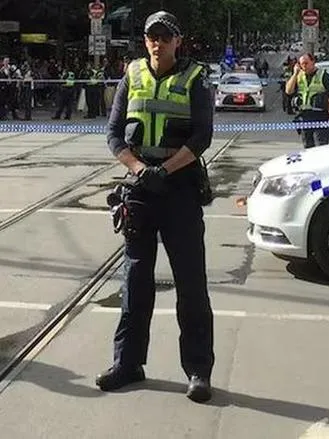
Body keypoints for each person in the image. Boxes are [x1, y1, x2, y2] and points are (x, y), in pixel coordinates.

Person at [97, 10, 215, 404]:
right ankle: (128, 364)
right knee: (134, 282)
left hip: (179, 189)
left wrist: (164, 169)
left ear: (177, 41)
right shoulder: (131, 74)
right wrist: (138, 168)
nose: (157, 42)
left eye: (165, 36)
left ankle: (198, 370)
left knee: (191, 284)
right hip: (141, 191)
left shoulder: (195, 77)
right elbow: (114, 134)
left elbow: (202, 135)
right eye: (151, 36)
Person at [284, 52, 329, 148]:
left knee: (321, 146)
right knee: (308, 146)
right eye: (302, 64)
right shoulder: (299, 75)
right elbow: (288, 91)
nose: (304, 66)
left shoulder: (323, 75)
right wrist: (295, 74)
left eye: (306, 63)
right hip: (304, 116)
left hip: (320, 116)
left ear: (313, 62)